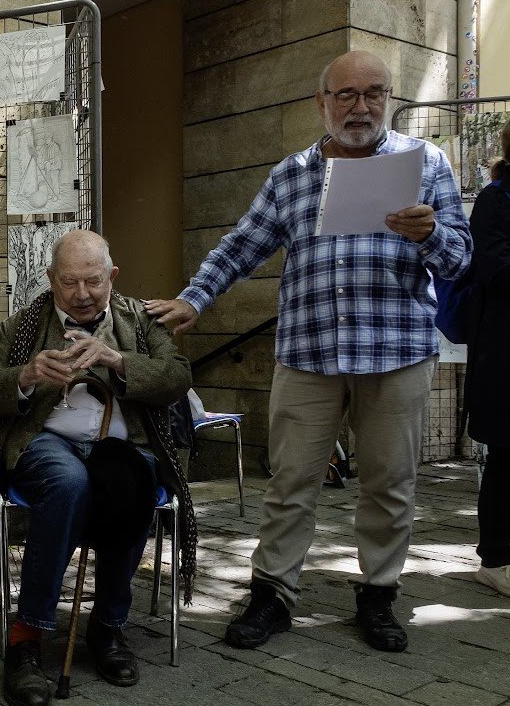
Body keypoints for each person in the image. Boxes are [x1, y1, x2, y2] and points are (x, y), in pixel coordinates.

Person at [145, 50, 471, 653]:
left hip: (396, 351)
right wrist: (195, 299)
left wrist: (431, 234)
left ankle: (378, 595)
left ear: (389, 99)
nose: (360, 107)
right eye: (346, 94)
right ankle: (272, 594)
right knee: (290, 481)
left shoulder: (425, 163)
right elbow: (242, 245)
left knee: (390, 484)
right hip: (308, 352)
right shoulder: (292, 174)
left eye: (374, 93)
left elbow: (460, 259)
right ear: (321, 102)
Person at [0, 230, 194, 706]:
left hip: (125, 443)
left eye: (93, 281)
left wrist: (118, 361)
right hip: (47, 441)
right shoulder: (25, 324)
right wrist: (26, 375)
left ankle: (108, 627)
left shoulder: (141, 319)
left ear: (112, 276)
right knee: (68, 483)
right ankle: (26, 637)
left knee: (130, 483)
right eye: (69, 283)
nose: (82, 294)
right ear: (51, 279)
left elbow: (177, 377)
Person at [464, 119, 510, 597]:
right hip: (504, 352)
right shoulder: (496, 199)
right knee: (507, 456)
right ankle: (496, 559)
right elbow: (494, 271)